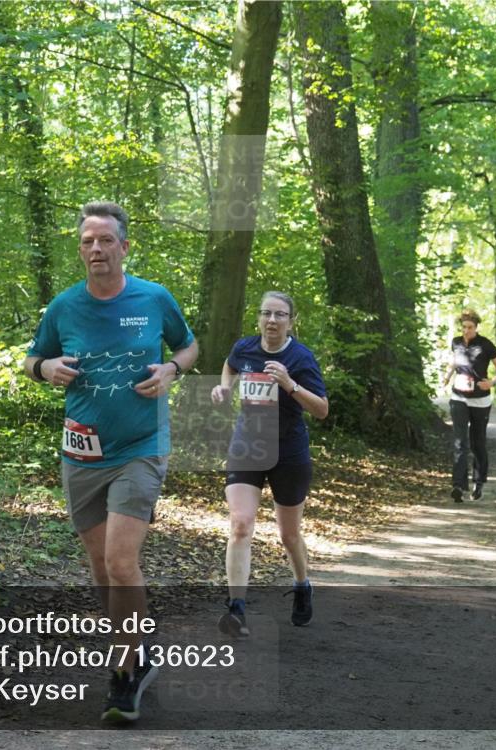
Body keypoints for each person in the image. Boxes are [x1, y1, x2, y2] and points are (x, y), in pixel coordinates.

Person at [23, 201, 198, 723]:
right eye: (87, 241)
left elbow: (189, 347)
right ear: (80, 250)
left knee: (121, 562)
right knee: (101, 568)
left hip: (141, 446)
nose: (95, 249)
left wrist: (171, 369)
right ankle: (138, 650)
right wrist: (45, 368)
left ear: (124, 246)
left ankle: (123, 675)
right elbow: (33, 358)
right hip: (82, 452)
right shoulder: (64, 307)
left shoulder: (153, 298)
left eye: (104, 240)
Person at [209, 292, 328, 638]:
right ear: (258, 318)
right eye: (266, 314)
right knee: (240, 524)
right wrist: (224, 387)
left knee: (289, 535)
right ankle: (236, 608)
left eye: (280, 315)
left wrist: (290, 385)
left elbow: (322, 409)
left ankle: (302, 584)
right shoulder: (245, 348)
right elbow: (230, 364)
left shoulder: (301, 358)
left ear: (291, 321)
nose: (272, 320)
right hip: (247, 446)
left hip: (288, 451)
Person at [442, 310, 496, 502]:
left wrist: (492, 382)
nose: (466, 330)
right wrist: (447, 376)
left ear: (476, 327)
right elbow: (454, 362)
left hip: (480, 401)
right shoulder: (456, 342)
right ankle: (458, 486)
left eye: (470, 327)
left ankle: (479, 482)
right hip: (459, 397)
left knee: (478, 443)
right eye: (464, 327)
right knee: (460, 442)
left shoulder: (486, 345)